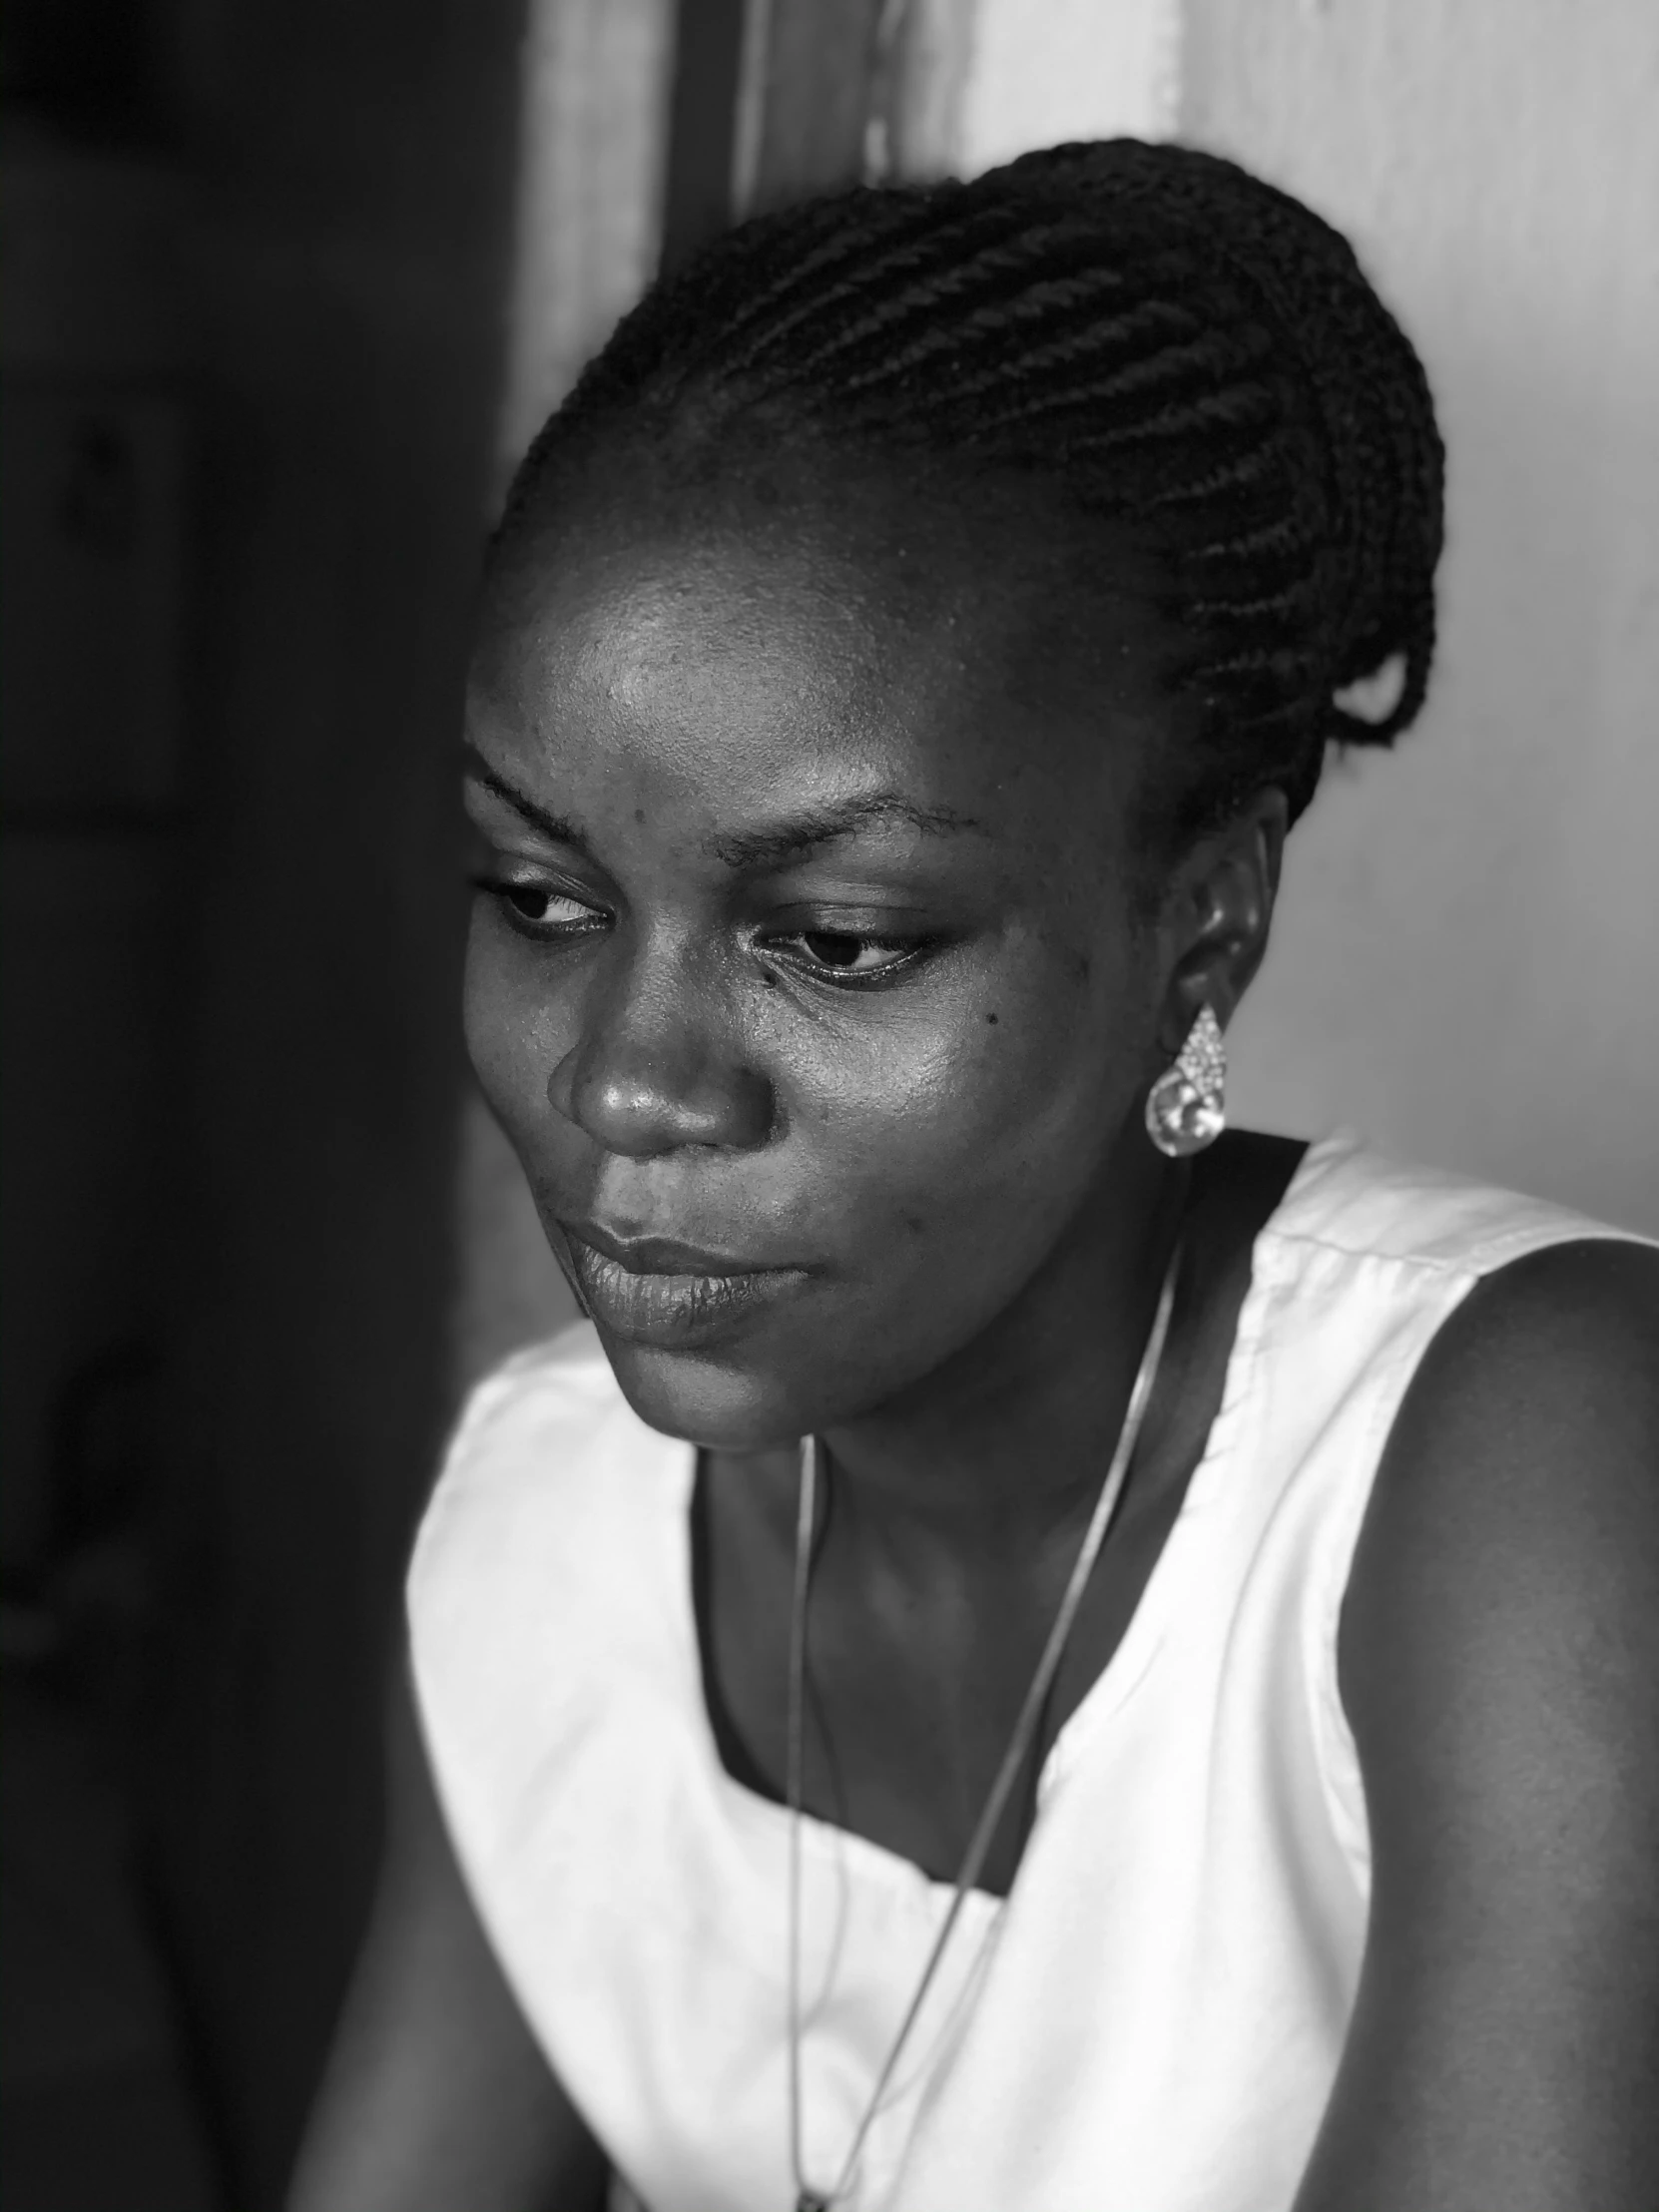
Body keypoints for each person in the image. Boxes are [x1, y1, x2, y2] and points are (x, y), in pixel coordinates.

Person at [288, 140, 1659, 2212]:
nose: (631, 1086)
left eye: (837, 940)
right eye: (539, 894)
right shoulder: (542, 1532)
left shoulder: (1529, 1465)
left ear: (1202, 927)